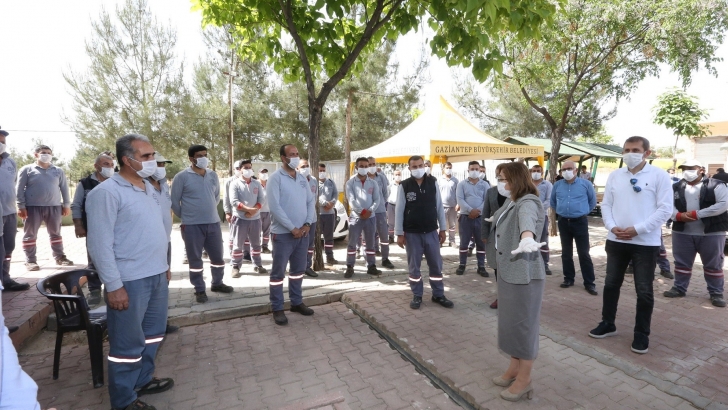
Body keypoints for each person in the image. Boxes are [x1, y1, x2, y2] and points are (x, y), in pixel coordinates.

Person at [87, 134, 174, 410]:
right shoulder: (106, 193)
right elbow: (99, 243)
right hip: (129, 281)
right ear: (127, 160)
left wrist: (165, 265)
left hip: (157, 274)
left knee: (153, 334)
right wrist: (113, 285)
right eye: (146, 157)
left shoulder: (150, 188)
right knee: (126, 345)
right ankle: (124, 401)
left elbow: (158, 230)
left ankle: (142, 380)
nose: (153, 161)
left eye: (153, 155)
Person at [590, 136, 673, 355]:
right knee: (610, 285)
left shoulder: (659, 175)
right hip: (616, 240)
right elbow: (606, 204)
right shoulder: (616, 176)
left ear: (647, 153)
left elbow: (665, 210)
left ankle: (641, 334)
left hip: (645, 243)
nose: (629, 153)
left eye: (635, 149)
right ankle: (608, 323)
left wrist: (639, 229)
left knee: (644, 290)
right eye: (626, 149)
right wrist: (611, 226)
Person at [487, 162, 546, 402]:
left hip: (523, 274)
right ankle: (514, 368)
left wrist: (527, 237)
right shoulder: (512, 200)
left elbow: (527, 220)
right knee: (510, 323)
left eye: (503, 178)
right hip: (508, 272)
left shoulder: (528, 201)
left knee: (523, 327)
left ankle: (525, 380)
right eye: (498, 178)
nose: (500, 182)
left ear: (516, 179)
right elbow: (504, 218)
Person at [171, 144, 233, 304]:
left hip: (213, 223)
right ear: (191, 158)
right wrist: (187, 216)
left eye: (205, 155)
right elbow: (174, 201)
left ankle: (217, 283)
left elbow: (216, 197)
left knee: (218, 257)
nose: (203, 158)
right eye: (199, 155)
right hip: (192, 226)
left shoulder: (212, 175)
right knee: (195, 260)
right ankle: (199, 289)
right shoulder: (181, 177)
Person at [664, 160, 727, 307]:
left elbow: (723, 205)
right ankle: (679, 288)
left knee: (714, 264)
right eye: (684, 168)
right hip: (682, 232)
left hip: (712, 232)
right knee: (681, 263)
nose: (687, 171)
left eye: (691, 168)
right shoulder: (676, 186)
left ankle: (716, 293)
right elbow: (667, 205)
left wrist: (697, 214)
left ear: (701, 170)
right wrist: (677, 216)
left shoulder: (716, 184)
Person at [395, 155, 454, 310]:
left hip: (431, 232)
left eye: (421, 165)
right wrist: (399, 233)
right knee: (414, 266)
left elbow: (439, 207)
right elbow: (399, 210)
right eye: (414, 167)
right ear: (409, 169)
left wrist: (442, 228)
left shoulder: (433, 183)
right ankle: (417, 295)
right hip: (412, 233)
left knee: (436, 265)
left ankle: (438, 294)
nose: (418, 169)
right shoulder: (404, 186)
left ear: (425, 166)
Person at [266, 144, 316, 325]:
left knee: (297, 271)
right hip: (283, 235)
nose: (295, 157)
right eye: (291, 154)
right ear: (283, 158)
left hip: (302, 234)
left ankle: (296, 302)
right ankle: (277, 307)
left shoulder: (302, 178)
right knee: (278, 273)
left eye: (297, 154)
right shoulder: (275, 179)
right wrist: (292, 228)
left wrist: (307, 224)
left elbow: (310, 202)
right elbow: (275, 207)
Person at [16, 145, 73, 270]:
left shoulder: (58, 170)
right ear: (36, 154)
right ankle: (30, 261)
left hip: (54, 207)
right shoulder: (27, 169)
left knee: (56, 234)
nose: (46, 154)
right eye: (43, 152)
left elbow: (64, 188)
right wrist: (20, 206)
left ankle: (60, 257)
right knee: (30, 235)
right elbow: (19, 189)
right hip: (32, 207)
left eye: (49, 152)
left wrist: (66, 205)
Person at [70, 153, 115, 305]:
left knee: (116, 257)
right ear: (96, 166)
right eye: (105, 164)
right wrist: (78, 225)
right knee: (95, 259)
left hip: (115, 228)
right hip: (93, 228)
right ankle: (95, 290)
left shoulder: (117, 181)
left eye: (111, 164)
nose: (109, 167)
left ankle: (114, 288)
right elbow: (76, 205)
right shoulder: (85, 183)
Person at [550, 160, 598, 295]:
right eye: (564, 169)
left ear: (576, 170)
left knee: (584, 253)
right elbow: (553, 201)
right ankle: (568, 278)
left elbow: (592, 201)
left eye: (569, 168)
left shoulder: (586, 184)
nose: (566, 171)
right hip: (564, 222)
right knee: (566, 253)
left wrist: (582, 212)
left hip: (580, 222)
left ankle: (589, 283)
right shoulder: (557, 185)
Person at [146, 152, 179, 335]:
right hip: (149, 243)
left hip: (165, 241)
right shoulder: (142, 186)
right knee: (149, 284)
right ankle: (148, 325)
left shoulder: (164, 185)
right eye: (157, 164)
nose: (161, 168)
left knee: (163, 284)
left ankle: (160, 323)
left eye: (163, 164)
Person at [0, 128, 30, 291]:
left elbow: (14, 186)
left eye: (3, 142)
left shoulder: (10, 162)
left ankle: (6, 279)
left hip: (9, 212)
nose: (1, 144)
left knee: (8, 247)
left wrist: (19, 205)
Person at [344, 157, 381, 278]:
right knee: (352, 243)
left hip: (370, 217)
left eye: (366, 166)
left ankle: (371, 266)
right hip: (356, 217)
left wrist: (370, 211)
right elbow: (351, 199)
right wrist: (361, 211)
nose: (364, 168)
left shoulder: (373, 183)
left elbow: (377, 199)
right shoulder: (350, 182)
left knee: (370, 243)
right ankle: (350, 266)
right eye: (361, 166)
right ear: (356, 168)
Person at [229, 159, 267, 277]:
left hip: (255, 219)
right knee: (237, 244)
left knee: (256, 244)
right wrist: (248, 210)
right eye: (245, 168)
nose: (248, 170)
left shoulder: (256, 183)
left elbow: (261, 199)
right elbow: (234, 201)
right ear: (240, 170)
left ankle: (257, 265)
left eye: (250, 167)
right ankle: (235, 266)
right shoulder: (235, 184)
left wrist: (254, 210)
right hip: (240, 219)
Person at [482, 164, 509, 309]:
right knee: (498, 267)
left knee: (510, 267)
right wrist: (484, 234)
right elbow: (485, 213)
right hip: (495, 235)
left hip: (511, 236)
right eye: (498, 174)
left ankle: (512, 297)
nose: (500, 178)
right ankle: (500, 297)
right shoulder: (491, 191)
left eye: (502, 175)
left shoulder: (516, 192)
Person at [455, 161, 489, 276]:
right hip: (466, 217)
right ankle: (462, 265)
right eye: (472, 169)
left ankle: (481, 266)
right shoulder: (462, 184)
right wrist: (470, 210)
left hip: (480, 218)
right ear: (468, 170)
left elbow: (487, 200)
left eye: (476, 169)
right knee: (464, 243)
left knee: (481, 243)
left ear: (480, 170)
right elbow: (460, 199)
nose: (474, 171)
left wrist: (477, 210)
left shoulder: (484, 184)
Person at [367, 157, 394, 269]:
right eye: (370, 164)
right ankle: (370, 261)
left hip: (381, 211)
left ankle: (385, 259)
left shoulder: (381, 177)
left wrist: (381, 203)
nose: (372, 166)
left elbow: (385, 193)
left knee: (384, 236)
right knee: (369, 237)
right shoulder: (363, 179)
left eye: (374, 164)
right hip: (368, 212)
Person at [297, 159, 320, 277]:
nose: (305, 168)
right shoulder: (294, 180)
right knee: (297, 243)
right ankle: (297, 267)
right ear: (297, 168)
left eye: (307, 166)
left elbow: (315, 198)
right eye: (302, 166)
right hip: (298, 218)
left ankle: (307, 266)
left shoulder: (314, 180)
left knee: (310, 244)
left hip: (312, 218)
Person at [531, 164, 553, 275]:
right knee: (529, 239)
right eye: (534, 170)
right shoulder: (527, 184)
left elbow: (550, 200)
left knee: (543, 241)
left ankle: (545, 265)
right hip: (528, 217)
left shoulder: (548, 185)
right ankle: (530, 264)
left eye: (538, 171)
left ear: (542, 172)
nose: (536, 172)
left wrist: (538, 209)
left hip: (541, 216)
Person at [318, 163, 339, 266]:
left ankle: (330, 257)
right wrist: (325, 203)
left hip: (330, 214)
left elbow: (335, 194)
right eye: (320, 170)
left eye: (323, 170)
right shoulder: (313, 183)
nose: (322, 172)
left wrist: (332, 203)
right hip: (318, 215)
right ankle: (316, 258)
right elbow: (313, 196)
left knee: (329, 237)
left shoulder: (330, 182)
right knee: (316, 238)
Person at [223, 160, 243, 254]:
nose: (239, 170)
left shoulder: (251, 180)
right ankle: (232, 252)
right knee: (233, 233)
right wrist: (227, 212)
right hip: (234, 213)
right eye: (237, 168)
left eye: (240, 168)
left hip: (246, 214)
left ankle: (246, 253)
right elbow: (226, 197)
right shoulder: (229, 181)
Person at [439, 162, 459, 247]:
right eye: (447, 167)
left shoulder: (455, 180)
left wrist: (458, 204)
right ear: (443, 169)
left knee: (452, 224)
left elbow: (458, 193)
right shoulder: (439, 180)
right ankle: (440, 241)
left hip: (452, 206)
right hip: (442, 206)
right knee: (440, 224)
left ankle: (452, 241)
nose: (448, 169)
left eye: (450, 167)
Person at [386, 169, 402, 243]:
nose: (398, 176)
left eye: (399, 174)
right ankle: (391, 237)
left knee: (401, 221)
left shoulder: (403, 185)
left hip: (400, 206)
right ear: (393, 176)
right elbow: (387, 195)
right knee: (391, 222)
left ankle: (401, 237)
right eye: (396, 174)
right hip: (391, 205)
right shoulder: (390, 185)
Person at [258, 168, 272, 254]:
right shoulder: (256, 183)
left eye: (266, 172)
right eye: (262, 172)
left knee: (267, 231)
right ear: (258, 174)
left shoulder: (270, 184)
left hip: (268, 211)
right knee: (257, 231)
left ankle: (265, 246)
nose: (264, 174)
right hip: (257, 212)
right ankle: (256, 246)